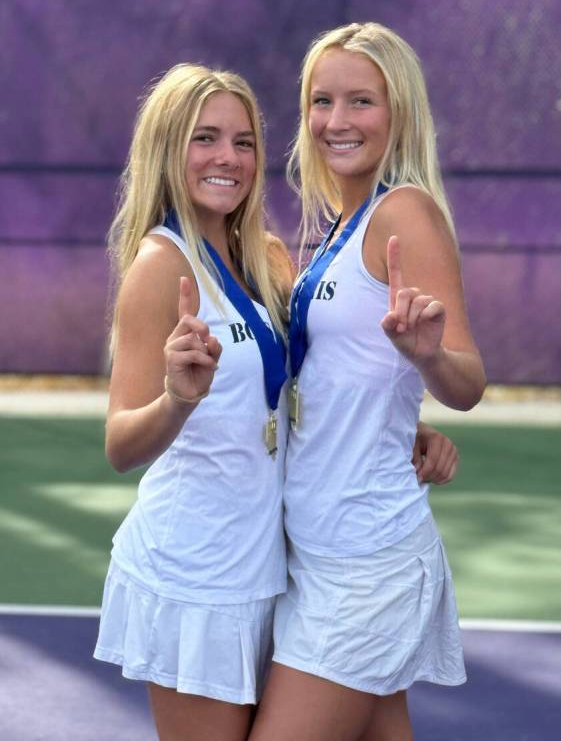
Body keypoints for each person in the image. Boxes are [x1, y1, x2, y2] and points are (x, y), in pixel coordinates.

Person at [93, 61, 460, 741]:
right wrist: (175, 400)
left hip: (273, 563)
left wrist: (407, 425)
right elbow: (120, 445)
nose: (227, 159)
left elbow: (304, 383)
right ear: (167, 152)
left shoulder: (262, 257)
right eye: (204, 139)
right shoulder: (160, 265)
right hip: (195, 573)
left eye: (243, 141)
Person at [249, 22, 486, 741]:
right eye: (321, 101)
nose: (336, 121)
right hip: (316, 549)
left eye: (361, 101)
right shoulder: (340, 224)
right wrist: (403, 422)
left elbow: (467, 379)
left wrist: (427, 357)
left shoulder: (402, 213)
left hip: (366, 560)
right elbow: (339, 376)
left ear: (398, 113)